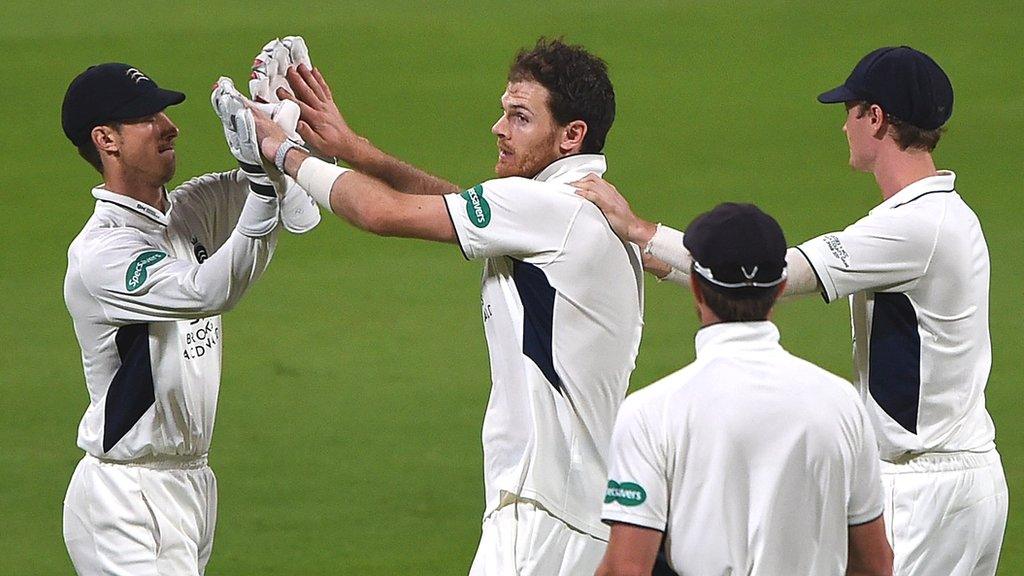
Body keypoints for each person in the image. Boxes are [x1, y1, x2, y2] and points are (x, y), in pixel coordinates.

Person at [574, 46, 1007, 576]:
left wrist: (641, 231)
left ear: (876, 118)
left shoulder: (916, 226)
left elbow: (767, 271)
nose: (843, 127)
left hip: (925, 490)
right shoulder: (945, 215)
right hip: (965, 481)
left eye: (849, 111)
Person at [249, 38, 644, 574]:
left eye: (521, 117)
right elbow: (465, 206)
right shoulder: (574, 207)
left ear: (571, 136)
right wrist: (355, 149)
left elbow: (382, 214)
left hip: (540, 517)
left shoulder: (550, 208)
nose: (498, 129)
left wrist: (281, 152)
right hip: (575, 516)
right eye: (504, 112)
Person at [59, 62, 297, 574]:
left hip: (191, 485)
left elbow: (281, 189)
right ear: (106, 139)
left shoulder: (189, 209)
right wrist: (261, 181)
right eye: (147, 117)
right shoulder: (103, 252)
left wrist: (281, 127)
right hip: (125, 497)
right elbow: (208, 291)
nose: (170, 126)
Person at [595, 203, 893, 575]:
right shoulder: (842, 405)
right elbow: (875, 565)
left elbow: (628, 569)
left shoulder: (651, 412)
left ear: (696, 287)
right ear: (780, 288)